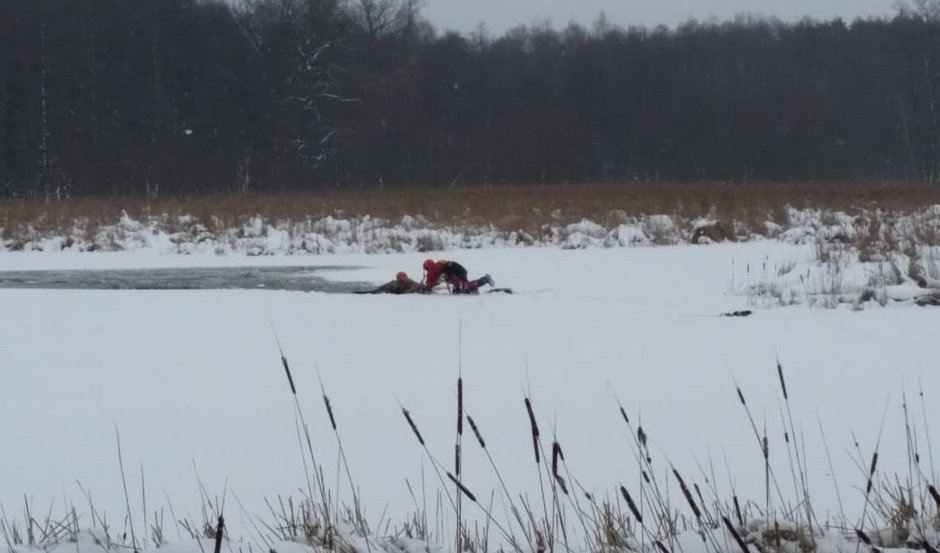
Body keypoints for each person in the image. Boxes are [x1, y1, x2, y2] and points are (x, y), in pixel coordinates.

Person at [422, 259, 494, 294]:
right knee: (458, 291)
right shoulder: (438, 265)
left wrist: (427, 288)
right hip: (458, 271)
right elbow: (435, 280)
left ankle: (485, 279)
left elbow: (431, 280)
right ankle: (471, 290)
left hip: (457, 273)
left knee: (466, 286)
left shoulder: (433, 268)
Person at [355, 271, 428, 294]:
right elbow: (383, 288)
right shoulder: (394, 283)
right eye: (401, 279)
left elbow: (417, 287)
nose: (403, 280)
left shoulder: (410, 283)